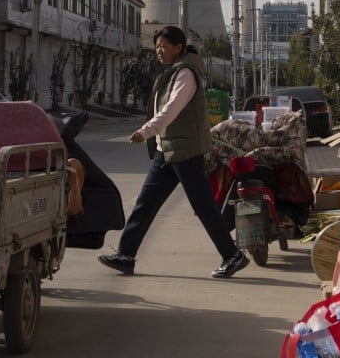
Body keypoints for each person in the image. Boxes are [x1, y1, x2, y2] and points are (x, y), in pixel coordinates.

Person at [99, 25, 249, 279]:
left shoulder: (186, 75)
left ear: (178, 48)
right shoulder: (171, 72)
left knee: (204, 207)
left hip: (185, 151)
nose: (159, 51)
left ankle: (232, 255)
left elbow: (170, 110)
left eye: (163, 46)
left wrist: (145, 131)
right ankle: (126, 254)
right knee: (145, 204)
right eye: (157, 46)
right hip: (166, 150)